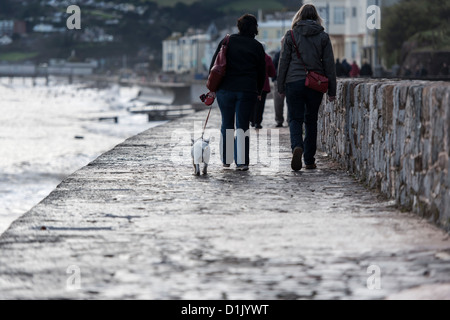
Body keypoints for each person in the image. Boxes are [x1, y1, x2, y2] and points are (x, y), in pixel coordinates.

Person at [277, 3, 336, 171]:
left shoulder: (291, 35)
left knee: (295, 119)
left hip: (293, 82)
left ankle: (297, 146)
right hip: (315, 83)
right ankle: (309, 160)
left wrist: (280, 87)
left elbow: (283, 63)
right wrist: (332, 90)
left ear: (299, 16)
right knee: (311, 120)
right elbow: (330, 65)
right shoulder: (323, 36)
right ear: (316, 17)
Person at [209, 14, 265, 171]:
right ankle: (241, 162)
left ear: (239, 26)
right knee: (242, 125)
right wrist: (259, 90)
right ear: (255, 28)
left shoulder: (227, 41)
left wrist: (213, 87)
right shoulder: (257, 46)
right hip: (247, 90)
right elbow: (262, 73)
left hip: (225, 90)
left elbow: (215, 65)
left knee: (227, 123)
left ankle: (226, 160)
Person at [252, 48, 276, 129]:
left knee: (251, 103)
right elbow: (272, 73)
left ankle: (252, 120)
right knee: (260, 105)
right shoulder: (267, 58)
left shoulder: (251, 56)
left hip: (252, 84)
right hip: (263, 85)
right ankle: (257, 122)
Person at [272, 48, 287, 127]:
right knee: (278, 103)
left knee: (291, 102)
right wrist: (274, 78)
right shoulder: (278, 53)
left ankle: (289, 120)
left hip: (289, 80)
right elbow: (273, 65)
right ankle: (279, 120)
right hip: (278, 80)